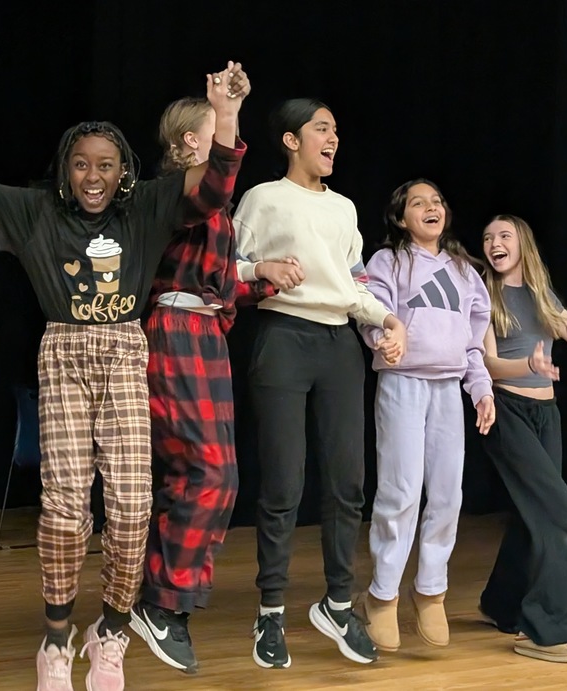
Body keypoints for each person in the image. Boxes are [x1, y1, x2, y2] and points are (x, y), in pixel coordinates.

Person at [0, 61, 250, 690]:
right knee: (63, 511)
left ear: (124, 171)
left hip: (124, 352)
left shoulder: (145, 206)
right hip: (63, 355)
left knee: (134, 507)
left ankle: (108, 632)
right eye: (81, 163)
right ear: (65, 169)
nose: (93, 175)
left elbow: (215, 186)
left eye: (105, 164)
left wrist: (226, 111)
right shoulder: (36, 211)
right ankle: (56, 639)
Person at [234, 98, 406, 668]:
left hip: (338, 345)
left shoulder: (345, 209)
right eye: (322, 128)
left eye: (336, 130)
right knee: (283, 483)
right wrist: (261, 270)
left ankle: (337, 603)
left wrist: (385, 318)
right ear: (291, 139)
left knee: (347, 483)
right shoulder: (263, 199)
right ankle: (272, 612)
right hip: (283, 336)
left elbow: (354, 283)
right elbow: (223, 265)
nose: (333, 139)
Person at [129, 93, 272, 674]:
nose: (226, 142)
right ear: (191, 142)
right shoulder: (173, 193)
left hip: (204, 333)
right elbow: (214, 185)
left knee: (217, 475)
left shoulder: (214, 211)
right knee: (206, 469)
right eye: (214, 132)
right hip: (174, 331)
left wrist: (263, 283)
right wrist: (227, 111)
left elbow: (213, 283)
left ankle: (164, 599)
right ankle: (161, 603)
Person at [360, 179, 495, 652]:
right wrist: (383, 338)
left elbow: (474, 339)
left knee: (446, 493)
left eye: (437, 201)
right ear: (401, 218)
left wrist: (480, 388)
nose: (431, 207)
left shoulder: (463, 269)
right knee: (399, 491)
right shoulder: (388, 261)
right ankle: (381, 596)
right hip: (403, 383)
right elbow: (370, 311)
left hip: (446, 389)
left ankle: (431, 591)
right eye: (418, 203)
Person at [478, 213, 567, 663]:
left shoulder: (542, 295)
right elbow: (488, 363)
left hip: (545, 414)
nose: (495, 242)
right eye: (489, 237)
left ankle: (501, 603)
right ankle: (553, 633)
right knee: (563, 518)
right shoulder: (484, 293)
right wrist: (528, 367)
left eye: (505, 235)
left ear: (523, 244)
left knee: (531, 513)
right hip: (506, 411)